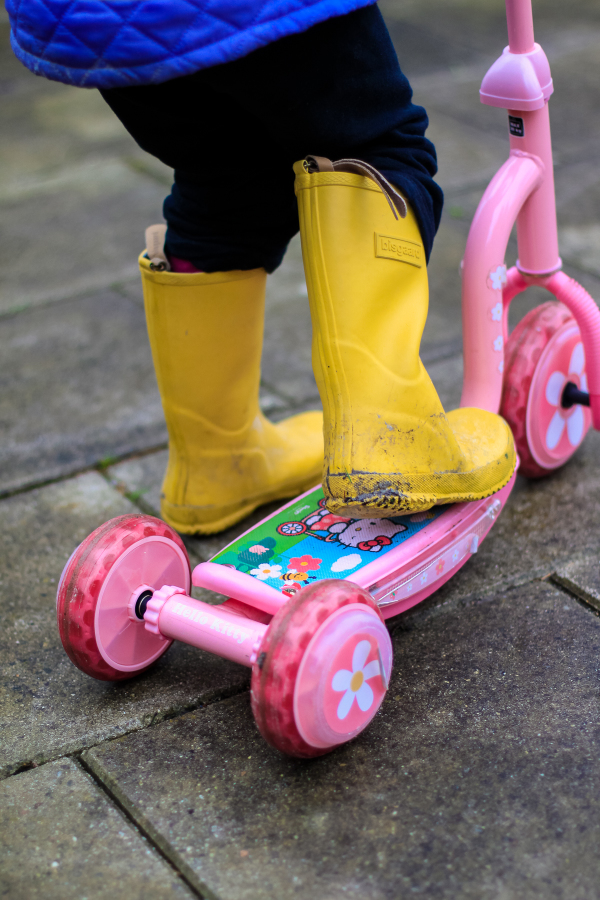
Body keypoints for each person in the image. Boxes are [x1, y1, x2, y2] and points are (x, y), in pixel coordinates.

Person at [7, 0, 515, 534]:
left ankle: (216, 463)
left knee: (225, 183)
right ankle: (392, 439)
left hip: (93, 19)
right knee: (375, 145)